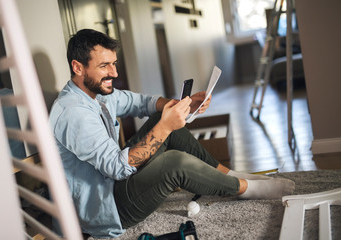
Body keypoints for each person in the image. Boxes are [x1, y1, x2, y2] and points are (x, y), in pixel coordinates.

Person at [49, 29, 295, 238]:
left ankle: (231, 174)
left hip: (114, 183)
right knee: (173, 162)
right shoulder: (73, 112)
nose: (114, 73)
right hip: (106, 209)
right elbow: (115, 167)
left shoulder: (95, 94)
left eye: (114, 63)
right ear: (78, 67)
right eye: (104, 66)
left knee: (160, 118)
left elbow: (141, 103)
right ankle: (244, 188)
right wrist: (165, 126)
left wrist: (181, 104)